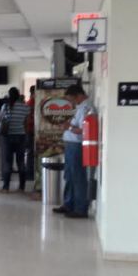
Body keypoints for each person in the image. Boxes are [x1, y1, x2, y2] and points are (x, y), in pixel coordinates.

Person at [53, 85, 94, 219]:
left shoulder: (86, 108)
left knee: (78, 177)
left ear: (78, 95)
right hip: (71, 145)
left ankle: (80, 208)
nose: (71, 102)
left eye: (71, 99)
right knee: (69, 176)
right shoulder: (79, 107)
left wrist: (68, 127)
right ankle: (68, 204)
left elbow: (83, 130)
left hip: (77, 146)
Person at [0, 87, 31, 193]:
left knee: (7, 162)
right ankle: (22, 187)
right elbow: (26, 124)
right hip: (21, 136)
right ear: (19, 95)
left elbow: (2, 120)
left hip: (7, 137)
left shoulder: (5, 106)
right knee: (21, 162)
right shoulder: (25, 107)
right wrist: (25, 134)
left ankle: (6, 187)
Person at [25, 85, 36, 181]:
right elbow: (28, 119)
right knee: (30, 153)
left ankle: (32, 173)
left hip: (33, 131)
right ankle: (29, 174)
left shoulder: (32, 103)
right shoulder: (29, 104)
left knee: (32, 153)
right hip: (30, 131)